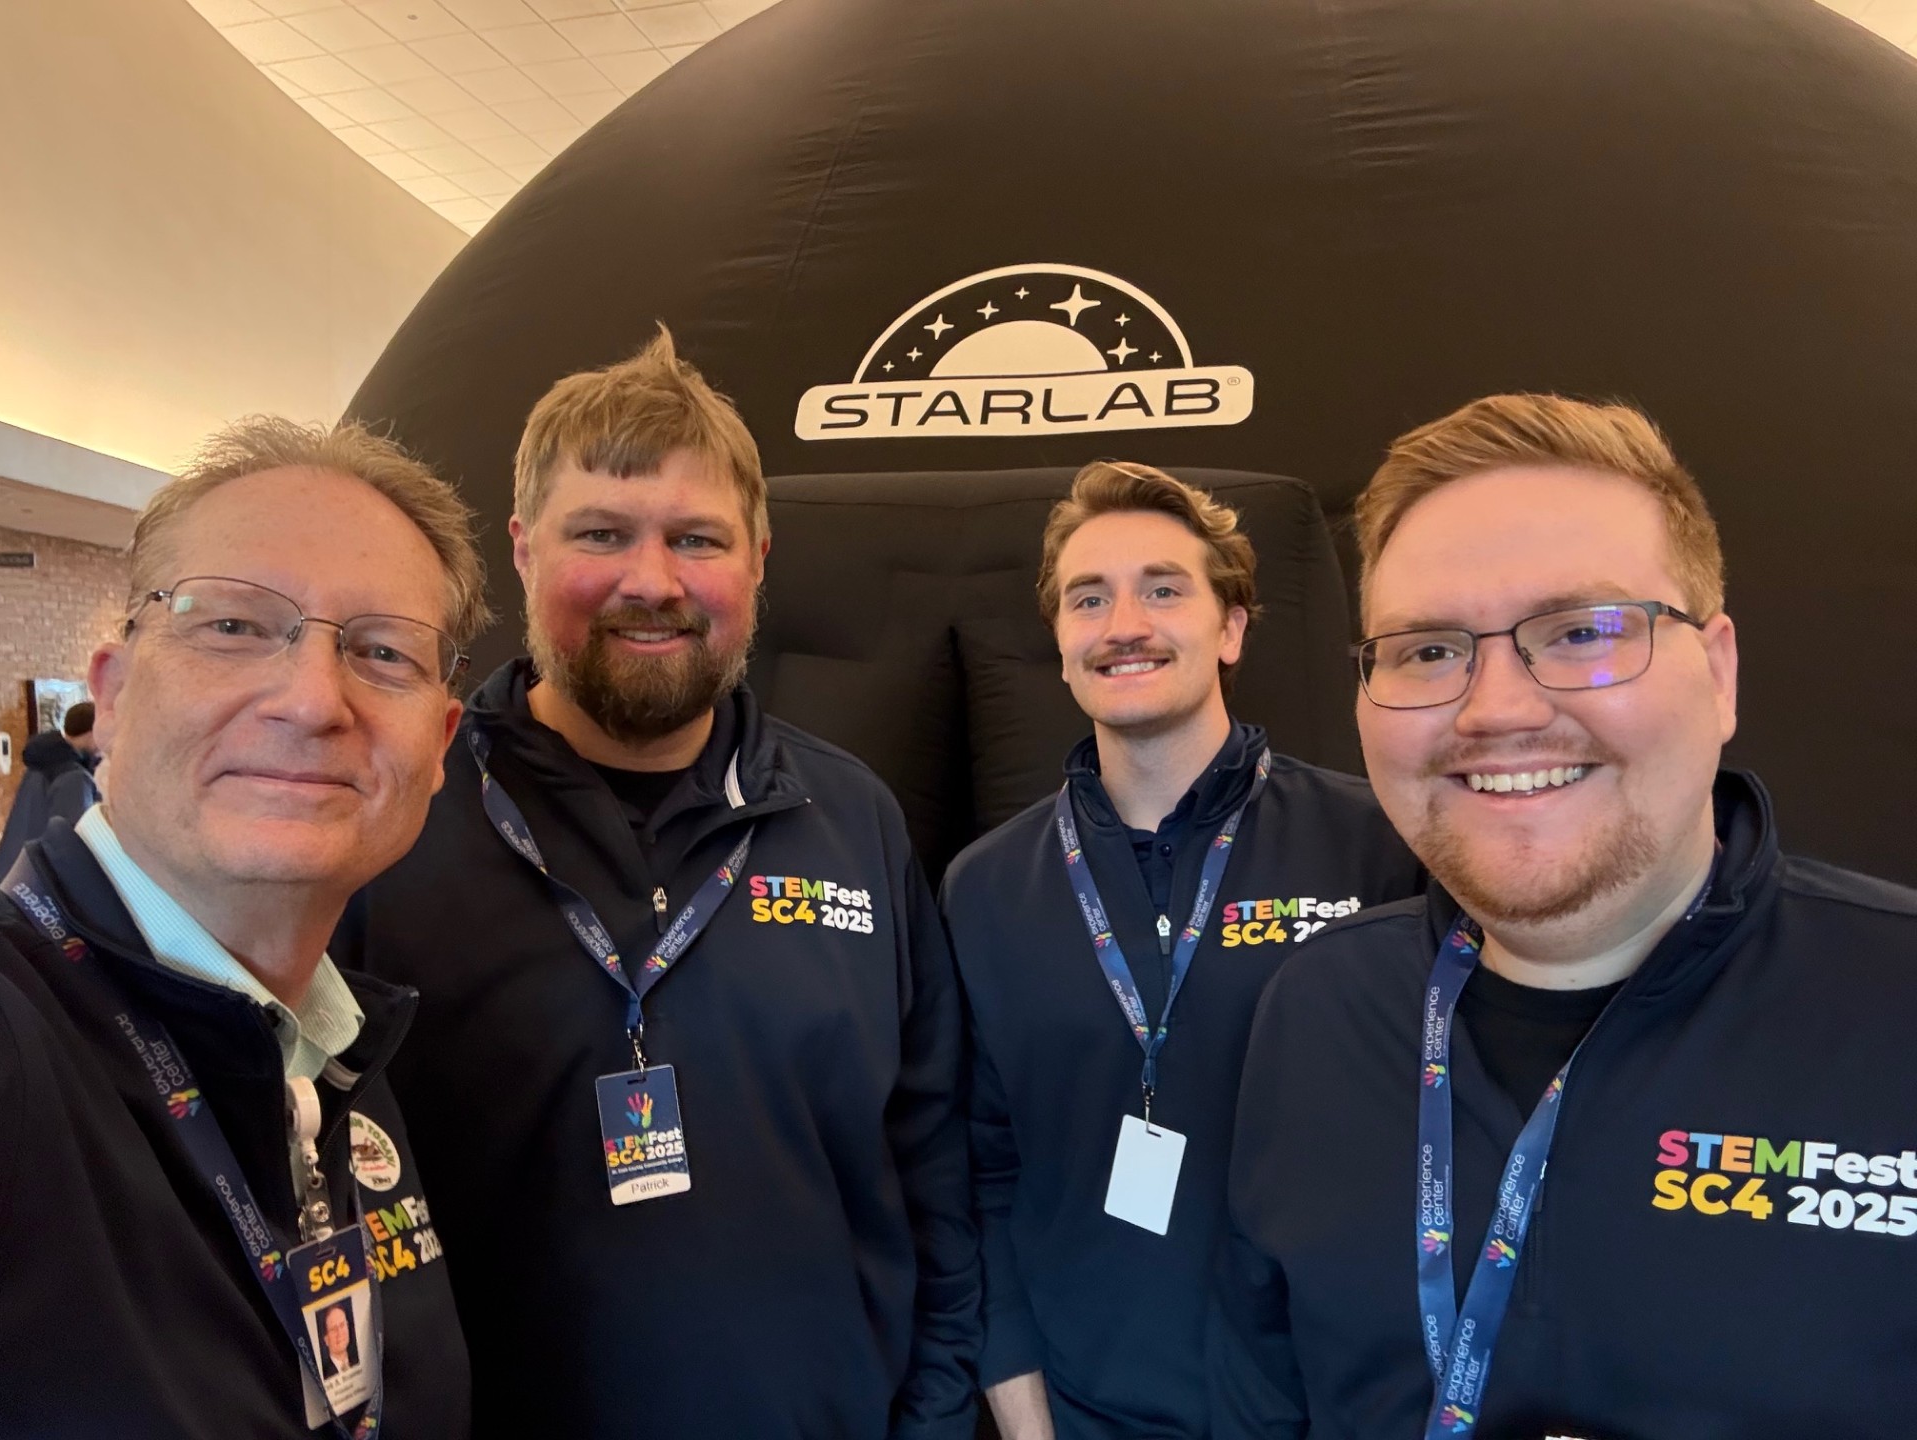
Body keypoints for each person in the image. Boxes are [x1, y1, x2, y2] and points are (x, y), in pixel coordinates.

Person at [1210, 394, 1917, 1440]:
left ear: (1718, 673)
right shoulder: (1314, 1011)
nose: (1496, 708)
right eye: (1427, 650)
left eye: (1583, 630)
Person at [334, 327, 979, 1439]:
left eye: (696, 538)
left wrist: (928, 1416)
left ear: (759, 562)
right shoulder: (396, 817)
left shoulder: (853, 817)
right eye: (602, 534)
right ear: (525, 553)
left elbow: (933, 1158)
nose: (652, 581)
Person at [0, 418, 481, 1438]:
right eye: (233, 626)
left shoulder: (336, 1059)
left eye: (382, 651)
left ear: (440, 747)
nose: (312, 701)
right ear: (114, 694)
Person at [941, 461, 1423, 1439]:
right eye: (1090, 598)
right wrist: (1028, 1422)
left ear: (1231, 626)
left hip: (1329, 1413)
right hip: (1085, 1416)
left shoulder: (1382, 845)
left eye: (1164, 589)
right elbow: (979, 1176)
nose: (1125, 623)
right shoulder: (984, 888)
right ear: (1062, 642)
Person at [0, 700, 101, 875]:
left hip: (10, 875)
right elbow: (74, 847)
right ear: (92, 732)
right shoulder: (75, 778)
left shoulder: (39, 763)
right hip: (37, 884)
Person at [321, 1303, 360, 1378]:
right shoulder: (324, 1375)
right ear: (326, 1339)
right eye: (333, 1329)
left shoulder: (360, 1359)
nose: (340, 1333)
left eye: (342, 1325)